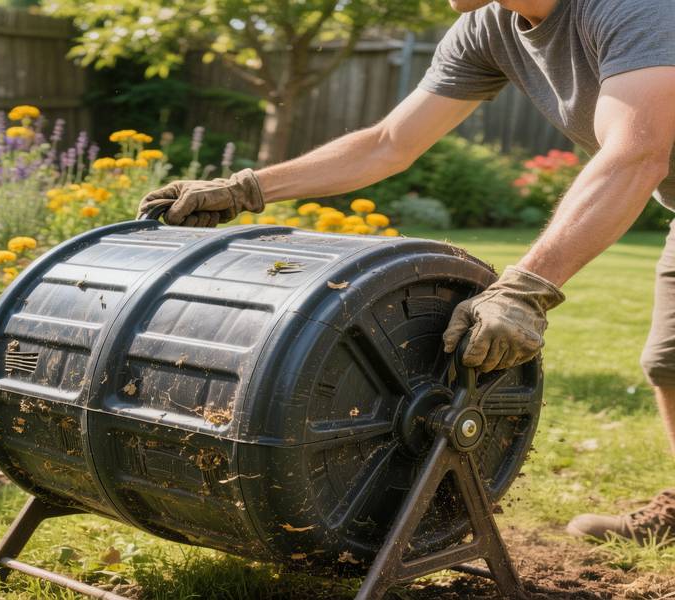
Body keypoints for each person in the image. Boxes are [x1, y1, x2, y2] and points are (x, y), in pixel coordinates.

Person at [137, 0, 675, 544]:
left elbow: (636, 150)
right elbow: (388, 143)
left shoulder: (635, 9)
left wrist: (526, 287)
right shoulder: (487, 28)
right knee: (669, 362)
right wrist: (247, 189)